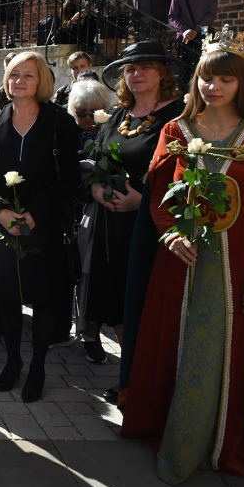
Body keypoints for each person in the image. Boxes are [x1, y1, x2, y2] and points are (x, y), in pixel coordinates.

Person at [120, 29, 244, 485]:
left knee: (227, 357)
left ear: (242, 83)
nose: (214, 87)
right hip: (180, 265)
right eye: (207, 78)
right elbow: (160, 197)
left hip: (239, 269)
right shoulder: (175, 130)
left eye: (225, 79)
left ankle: (216, 441)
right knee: (177, 347)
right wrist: (169, 235)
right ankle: (178, 436)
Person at [0, 52, 82, 403]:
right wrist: (0, 213)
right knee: (6, 296)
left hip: (44, 224)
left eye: (28, 75)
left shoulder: (58, 123)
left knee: (45, 298)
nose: (19, 81)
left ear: (42, 81)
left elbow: (69, 179)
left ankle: (38, 365)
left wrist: (34, 214)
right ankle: (14, 360)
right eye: (14, 74)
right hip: (3, 227)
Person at [79, 43, 185, 381]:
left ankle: (152, 384)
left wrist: (143, 201)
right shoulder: (118, 116)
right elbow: (93, 161)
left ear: (163, 73)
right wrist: (96, 189)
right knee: (120, 307)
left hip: (153, 228)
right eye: (129, 69)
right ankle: (131, 380)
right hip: (112, 228)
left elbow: (187, 172)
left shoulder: (181, 115)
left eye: (145, 67)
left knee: (148, 305)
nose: (135, 74)